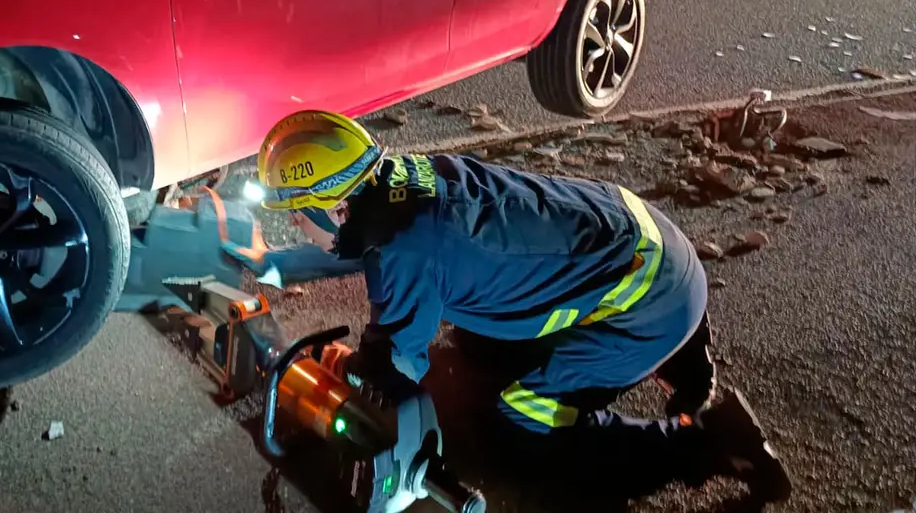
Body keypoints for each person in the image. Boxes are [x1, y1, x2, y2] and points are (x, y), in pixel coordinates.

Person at [225, 109, 793, 503]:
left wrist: (340, 365)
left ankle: (707, 444)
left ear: (334, 210)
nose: (294, 224)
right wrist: (273, 262)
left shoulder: (406, 250)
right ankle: (696, 385)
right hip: (653, 243)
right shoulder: (408, 184)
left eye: (296, 213)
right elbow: (370, 251)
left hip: (647, 299)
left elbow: (394, 365)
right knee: (474, 351)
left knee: (522, 418)